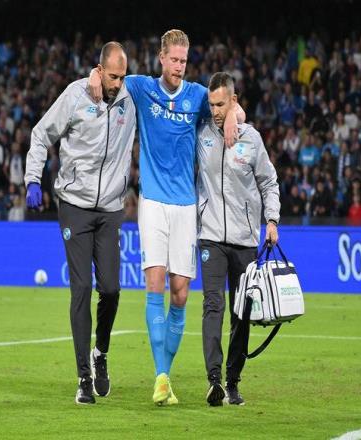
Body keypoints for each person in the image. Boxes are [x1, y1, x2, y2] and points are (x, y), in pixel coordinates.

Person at [88, 29, 245, 405]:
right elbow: (110, 78)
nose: (178, 66)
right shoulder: (142, 88)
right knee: (155, 284)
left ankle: (166, 374)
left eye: (184, 61)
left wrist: (234, 115)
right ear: (161, 58)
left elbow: (228, 105)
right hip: (153, 202)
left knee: (180, 293)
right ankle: (160, 377)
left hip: (186, 204)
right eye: (173, 59)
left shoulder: (196, 96)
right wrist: (94, 74)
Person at [24, 42, 136, 405]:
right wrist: (32, 180)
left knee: (112, 290)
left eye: (122, 76)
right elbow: (41, 134)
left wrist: (234, 110)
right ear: (99, 70)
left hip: (110, 210)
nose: (118, 83)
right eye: (113, 76)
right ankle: (83, 377)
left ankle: (100, 352)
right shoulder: (75, 95)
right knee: (82, 288)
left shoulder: (131, 98)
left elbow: (168, 89)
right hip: (74, 206)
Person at [196, 72, 280, 406]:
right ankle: (214, 380)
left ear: (233, 100)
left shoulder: (252, 139)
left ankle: (233, 381)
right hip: (211, 236)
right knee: (212, 304)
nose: (215, 111)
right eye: (212, 104)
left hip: (245, 240)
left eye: (221, 104)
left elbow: (269, 182)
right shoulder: (201, 133)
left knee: (241, 312)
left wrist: (271, 220)